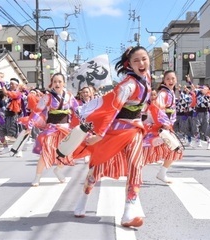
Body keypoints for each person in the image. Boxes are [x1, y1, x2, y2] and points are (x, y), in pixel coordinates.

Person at [72, 46, 152, 228]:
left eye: (144, 59)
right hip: (115, 130)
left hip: (134, 131)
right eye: (136, 60)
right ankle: (83, 199)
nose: (141, 63)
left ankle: (128, 213)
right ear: (129, 65)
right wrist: (99, 135)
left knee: (136, 166)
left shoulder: (146, 79)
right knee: (97, 168)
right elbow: (112, 110)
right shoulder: (128, 85)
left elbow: (144, 105)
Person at [27, 73, 79, 186]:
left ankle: (58, 170)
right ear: (52, 83)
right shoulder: (48, 97)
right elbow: (37, 110)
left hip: (66, 128)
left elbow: (77, 109)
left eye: (60, 81)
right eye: (55, 81)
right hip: (52, 128)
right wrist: (30, 124)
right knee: (46, 152)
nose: (57, 84)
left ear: (64, 83)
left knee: (66, 152)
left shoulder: (69, 96)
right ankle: (37, 177)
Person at [142, 70, 183, 183]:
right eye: (168, 79)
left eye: (173, 79)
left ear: (176, 79)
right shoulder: (164, 93)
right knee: (146, 151)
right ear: (164, 80)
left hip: (165, 127)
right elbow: (157, 109)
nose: (171, 81)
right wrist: (164, 123)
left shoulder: (171, 92)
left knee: (174, 149)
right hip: (159, 127)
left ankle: (162, 173)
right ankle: (133, 173)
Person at [0, 78, 24, 156]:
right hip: (6, 116)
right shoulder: (11, 93)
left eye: (12, 84)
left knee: (15, 134)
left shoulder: (17, 93)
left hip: (13, 116)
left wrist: (1, 83)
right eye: (10, 84)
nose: (11, 85)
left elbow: (5, 92)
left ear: (17, 85)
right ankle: (5, 147)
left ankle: (19, 150)